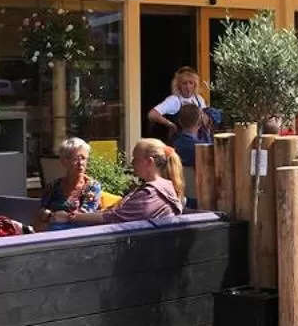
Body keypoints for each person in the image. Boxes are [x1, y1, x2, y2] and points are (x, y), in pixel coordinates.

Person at [54, 137, 185, 226]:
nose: (132, 163)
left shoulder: (150, 195)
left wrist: (68, 217)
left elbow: (113, 218)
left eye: (135, 159)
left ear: (149, 162)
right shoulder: (163, 188)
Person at [35, 136, 102, 230]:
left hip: (78, 234)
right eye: (77, 158)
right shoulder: (53, 186)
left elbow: (85, 216)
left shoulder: (92, 187)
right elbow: (41, 212)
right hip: (50, 234)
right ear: (64, 161)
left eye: (84, 158)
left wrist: (61, 217)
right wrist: (52, 216)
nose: (81, 163)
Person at [147, 68, 208, 140]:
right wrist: (171, 125)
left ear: (195, 85)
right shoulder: (174, 100)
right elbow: (152, 114)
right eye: (184, 83)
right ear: (178, 85)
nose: (188, 87)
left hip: (198, 140)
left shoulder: (199, 99)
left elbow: (205, 119)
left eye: (191, 83)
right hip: (179, 141)